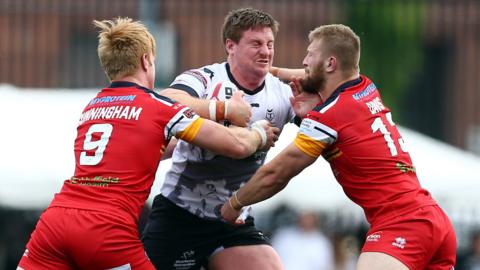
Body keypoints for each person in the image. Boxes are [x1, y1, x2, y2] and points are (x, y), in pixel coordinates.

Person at [16, 17, 276, 270]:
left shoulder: (92, 106)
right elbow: (236, 146)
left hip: (56, 221)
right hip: (105, 227)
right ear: (146, 60)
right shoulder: (158, 106)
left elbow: (145, 148)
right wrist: (258, 134)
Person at [221, 24, 457, 270]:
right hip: (433, 219)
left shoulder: (329, 116)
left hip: (402, 224)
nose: (303, 62)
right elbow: (317, 84)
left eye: (310, 55)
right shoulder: (366, 87)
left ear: (330, 63)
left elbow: (277, 173)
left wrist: (234, 204)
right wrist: (272, 72)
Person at [141, 7, 317, 270]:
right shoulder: (206, 78)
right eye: (256, 43)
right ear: (230, 45)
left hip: (232, 218)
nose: (266, 52)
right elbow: (168, 100)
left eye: (270, 44)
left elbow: (334, 81)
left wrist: (287, 75)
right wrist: (222, 110)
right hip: (180, 213)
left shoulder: (282, 93)